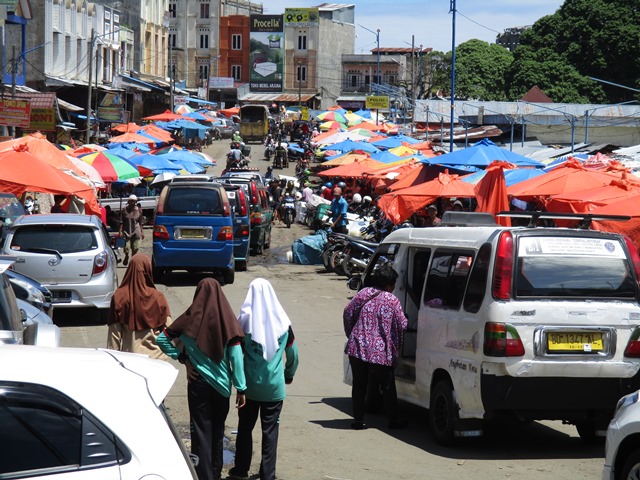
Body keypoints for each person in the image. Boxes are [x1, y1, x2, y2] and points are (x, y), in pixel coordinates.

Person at [156, 278, 247, 480]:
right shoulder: (227, 322)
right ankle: (214, 474)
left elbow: (161, 339)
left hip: (197, 384)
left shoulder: (188, 320)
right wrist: (241, 388)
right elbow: (236, 358)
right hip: (222, 387)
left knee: (200, 431)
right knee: (217, 432)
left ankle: (202, 475)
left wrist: (183, 359)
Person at [228, 278, 299, 480]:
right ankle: (268, 474)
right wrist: (289, 374)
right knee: (270, 431)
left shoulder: (242, 324)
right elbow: (293, 354)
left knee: (245, 428)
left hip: (249, 388)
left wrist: (238, 382)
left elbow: (236, 356)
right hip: (274, 389)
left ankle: (241, 469)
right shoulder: (284, 324)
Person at [343, 262, 408, 430]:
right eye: (393, 284)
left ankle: (358, 420)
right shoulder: (392, 300)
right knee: (387, 385)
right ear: (389, 284)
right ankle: (393, 420)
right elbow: (402, 324)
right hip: (380, 351)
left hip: (357, 347)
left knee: (359, 385)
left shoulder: (363, 294)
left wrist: (352, 334)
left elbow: (348, 312)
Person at [107, 253, 171, 359]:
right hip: (157, 359)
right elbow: (169, 330)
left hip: (131, 359)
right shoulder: (158, 297)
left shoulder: (119, 297)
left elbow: (114, 336)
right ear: (148, 271)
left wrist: (113, 360)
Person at [119, 194, 144, 266]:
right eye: (131, 201)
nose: (132, 203)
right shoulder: (124, 210)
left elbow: (141, 222)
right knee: (126, 247)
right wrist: (120, 231)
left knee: (135, 247)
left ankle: (132, 261)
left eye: (134, 201)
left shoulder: (139, 210)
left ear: (136, 202)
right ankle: (127, 256)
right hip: (126, 231)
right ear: (128, 201)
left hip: (136, 231)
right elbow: (121, 222)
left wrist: (142, 232)